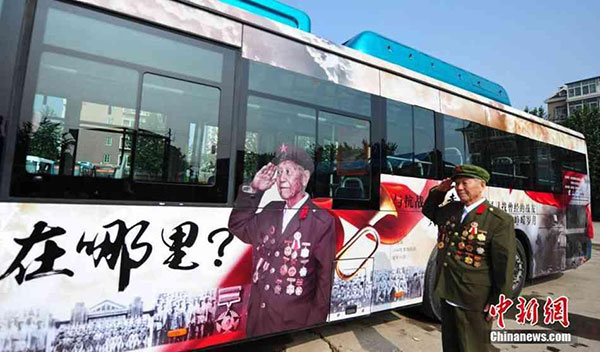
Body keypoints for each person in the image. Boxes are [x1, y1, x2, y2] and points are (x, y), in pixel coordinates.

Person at [228, 143, 335, 337]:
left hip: (292, 324)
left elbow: (324, 280)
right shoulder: (271, 210)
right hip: (258, 321)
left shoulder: (321, 221)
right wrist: (254, 189)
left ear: (305, 178)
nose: (281, 179)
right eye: (278, 173)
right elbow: (238, 226)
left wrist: (313, 327)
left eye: (288, 172)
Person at [422, 164, 515, 352]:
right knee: (450, 345)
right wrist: (439, 191)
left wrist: (498, 301)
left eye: (465, 182)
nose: (459, 187)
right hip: (448, 290)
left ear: (482, 185)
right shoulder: (451, 210)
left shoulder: (498, 220)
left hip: (475, 299)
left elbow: (504, 266)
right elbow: (429, 211)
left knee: (473, 347)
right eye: (457, 183)